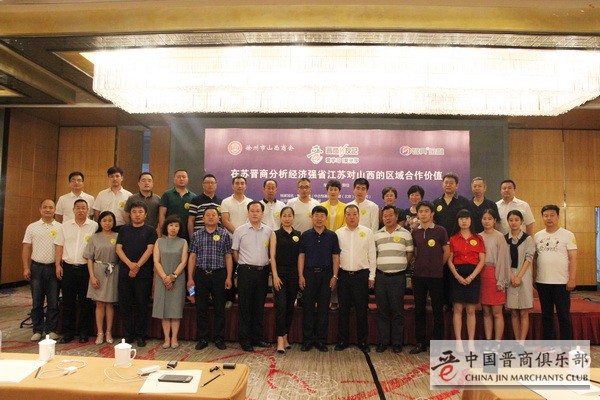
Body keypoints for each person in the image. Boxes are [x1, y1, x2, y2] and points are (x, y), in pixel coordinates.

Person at [187, 205, 233, 351]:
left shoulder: (224, 235)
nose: (211, 217)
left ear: (218, 218)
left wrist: (229, 277)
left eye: (214, 214)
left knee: (220, 308)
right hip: (201, 275)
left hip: (219, 274)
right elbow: (192, 257)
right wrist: (190, 278)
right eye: (208, 215)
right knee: (201, 308)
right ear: (203, 218)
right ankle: (203, 338)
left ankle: (219, 338)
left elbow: (228, 256)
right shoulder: (196, 235)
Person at [54, 199, 98, 343]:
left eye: (83, 208)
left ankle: (84, 332)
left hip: (86, 269)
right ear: (73, 210)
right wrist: (57, 265)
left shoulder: (94, 226)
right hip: (68, 268)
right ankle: (68, 332)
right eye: (78, 208)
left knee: (86, 302)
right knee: (68, 301)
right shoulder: (64, 226)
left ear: (88, 210)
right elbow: (59, 246)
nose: (81, 210)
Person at [334, 204, 376, 353]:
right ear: (345, 216)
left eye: (354, 214)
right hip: (343, 275)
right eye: (348, 214)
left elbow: (372, 255)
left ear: (359, 215)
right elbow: (335, 256)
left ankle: (362, 341)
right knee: (343, 309)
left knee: (361, 309)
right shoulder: (338, 233)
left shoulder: (368, 232)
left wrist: (372, 276)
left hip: (361, 276)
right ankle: (343, 340)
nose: (351, 217)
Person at [298, 205, 340, 352]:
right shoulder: (305, 235)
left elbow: (336, 257)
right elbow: (301, 256)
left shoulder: (332, 236)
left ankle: (321, 340)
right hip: (308, 274)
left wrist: (335, 276)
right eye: (316, 215)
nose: (319, 218)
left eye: (322, 216)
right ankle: (308, 340)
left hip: (326, 275)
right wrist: (300, 275)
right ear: (312, 217)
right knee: (308, 308)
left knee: (323, 308)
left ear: (326, 218)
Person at [409, 201, 449, 354]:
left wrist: (438, 265)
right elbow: (414, 252)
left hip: (436, 276)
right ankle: (420, 343)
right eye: (421, 211)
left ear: (432, 213)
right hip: (419, 275)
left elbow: (447, 251)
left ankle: (438, 345)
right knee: (419, 310)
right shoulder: (415, 232)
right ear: (417, 214)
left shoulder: (440, 230)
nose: (423, 214)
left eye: (426, 211)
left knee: (437, 310)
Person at [115, 201, 157, 347]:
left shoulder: (150, 230)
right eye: (134, 212)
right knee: (125, 304)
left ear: (145, 214)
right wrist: (130, 265)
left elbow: (150, 250)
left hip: (143, 273)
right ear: (130, 214)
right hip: (125, 272)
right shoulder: (124, 230)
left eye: (140, 212)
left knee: (141, 305)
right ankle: (128, 334)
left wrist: (137, 266)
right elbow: (118, 249)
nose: (137, 215)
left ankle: (141, 335)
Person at [232, 201, 273, 352]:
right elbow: (235, 251)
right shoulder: (240, 230)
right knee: (245, 307)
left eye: (258, 211)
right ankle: (245, 340)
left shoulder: (269, 231)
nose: (255, 213)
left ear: (262, 214)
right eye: (252, 211)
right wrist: (243, 265)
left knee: (258, 306)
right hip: (246, 272)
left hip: (262, 272)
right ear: (248, 213)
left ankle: (257, 338)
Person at [373, 205, 413, 353]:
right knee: (382, 310)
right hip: (381, 277)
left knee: (397, 311)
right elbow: (374, 255)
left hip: (398, 277)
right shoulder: (377, 234)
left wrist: (400, 265)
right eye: (385, 216)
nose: (387, 218)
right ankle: (383, 341)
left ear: (396, 217)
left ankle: (397, 342)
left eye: (390, 215)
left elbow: (410, 253)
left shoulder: (406, 234)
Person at [534, 204, 577, 340]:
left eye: (552, 215)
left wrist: (572, 279)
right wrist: (534, 277)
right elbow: (534, 259)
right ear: (542, 218)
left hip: (561, 282)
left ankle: (566, 344)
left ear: (558, 217)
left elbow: (573, 258)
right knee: (546, 315)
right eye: (546, 216)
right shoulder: (537, 236)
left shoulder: (568, 235)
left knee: (563, 314)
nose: (549, 218)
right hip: (542, 281)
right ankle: (550, 343)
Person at [22, 199, 62, 341]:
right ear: (40, 209)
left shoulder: (60, 227)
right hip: (36, 268)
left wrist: (58, 265)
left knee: (53, 301)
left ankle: (50, 330)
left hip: (53, 268)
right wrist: (26, 267)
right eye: (45, 207)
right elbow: (26, 247)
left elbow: (60, 248)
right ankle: (37, 330)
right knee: (37, 301)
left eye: (51, 207)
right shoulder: (32, 227)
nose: (48, 210)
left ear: (55, 210)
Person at [447, 209, 485, 351]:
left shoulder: (478, 238)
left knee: (470, 309)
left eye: (467, 218)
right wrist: (457, 276)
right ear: (457, 221)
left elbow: (482, 261)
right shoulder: (453, 238)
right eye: (461, 219)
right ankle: (458, 342)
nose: (464, 221)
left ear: (471, 221)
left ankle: (470, 342)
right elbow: (449, 260)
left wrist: (471, 277)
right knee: (457, 308)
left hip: (473, 275)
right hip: (457, 275)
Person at [432, 172, 470, 308]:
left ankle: (456, 302)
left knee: (456, 271)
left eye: (451, 183)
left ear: (457, 186)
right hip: (440, 244)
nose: (448, 185)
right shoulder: (436, 202)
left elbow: (468, 222)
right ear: (443, 185)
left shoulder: (464, 202)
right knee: (442, 272)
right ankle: (443, 302)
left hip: (458, 242)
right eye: (446, 182)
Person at [152, 215, 188, 349]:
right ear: (166, 227)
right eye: (171, 225)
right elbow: (156, 261)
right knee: (164, 310)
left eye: (176, 226)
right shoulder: (159, 241)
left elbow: (183, 261)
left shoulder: (183, 242)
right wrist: (164, 277)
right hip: (161, 278)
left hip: (177, 278)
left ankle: (174, 338)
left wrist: (173, 276)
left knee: (175, 309)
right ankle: (167, 338)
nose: (173, 228)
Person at [84, 210, 119, 345]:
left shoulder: (118, 236)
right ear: (100, 222)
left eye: (110, 220)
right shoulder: (94, 237)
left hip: (112, 271)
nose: (107, 223)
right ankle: (100, 332)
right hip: (98, 271)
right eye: (104, 220)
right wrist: (92, 276)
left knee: (109, 303)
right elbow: (89, 258)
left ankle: (108, 332)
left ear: (114, 222)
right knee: (99, 303)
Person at [269, 206, 301, 353]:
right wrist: (275, 276)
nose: (287, 218)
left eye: (289, 215)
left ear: (293, 217)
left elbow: (300, 257)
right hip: (280, 275)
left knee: (289, 307)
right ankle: (280, 340)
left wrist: (300, 276)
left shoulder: (298, 235)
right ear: (280, 218)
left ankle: (286, 336)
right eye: (284, 215)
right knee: (281, 307)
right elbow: (272, 256)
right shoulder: (275, 234)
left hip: (294, 275)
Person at [479, 209, 510, 342]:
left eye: (490, 219)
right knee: (486, 312)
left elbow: (503, 259)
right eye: (484, 218)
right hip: (482, 274)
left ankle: (497, 342)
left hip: (496, 275)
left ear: (494, 221)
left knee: (497, 312)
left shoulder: (499, 236)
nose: (487, 221)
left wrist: (501, 280)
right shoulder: (478, 236)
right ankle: (488, 341)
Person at [221, 175, 253, 308]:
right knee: (229, 269)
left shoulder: (250, 202)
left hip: (246, 241)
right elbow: (225, 221)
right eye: (237, 183)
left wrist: (242, 236)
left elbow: (251, 220)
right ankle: (229, 297)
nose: (239, 186)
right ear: (232, 186)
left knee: (244, 270)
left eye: (242, 183)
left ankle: (244, 298)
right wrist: (238, 234)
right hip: (229, 239)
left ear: (246, 186)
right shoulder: (226, 202)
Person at [505, 210, 535, 343]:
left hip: (524, 276)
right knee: (514, 312)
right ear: (508, 222)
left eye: (516, 220)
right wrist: (512, 276)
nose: (514, 223)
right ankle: (517, 341)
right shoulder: (504, 239)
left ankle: (522, 342)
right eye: (511, 220)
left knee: (523, 311)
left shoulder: (528, 239)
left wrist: (519, 276)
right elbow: (504, 259)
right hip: (509, 276)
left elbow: (529, 258)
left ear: (521, 221)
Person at [319, 179, 346, 311]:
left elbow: (346, 224)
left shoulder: (345, 207)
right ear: (327, 191)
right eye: (331, 189)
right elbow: (318, 222)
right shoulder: (321, 206)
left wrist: (334, 236)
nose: (333, 192)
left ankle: (335, 300)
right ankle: (321, 299)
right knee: (325, 270)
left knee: (337, 270)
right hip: (323, 241)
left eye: (335, 189)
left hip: (339, 241)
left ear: (339, 191)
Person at [158, 169, 196, 241]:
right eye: (178, 177)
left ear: (187, 179)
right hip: (170, 233)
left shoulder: (193, 197)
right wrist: (163, 232)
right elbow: (161, 215)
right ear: (174, 179)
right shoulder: (167, 194)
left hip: (186, 234)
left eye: (184, 177)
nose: (181, 179)